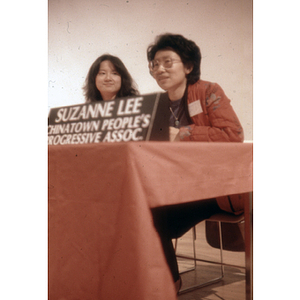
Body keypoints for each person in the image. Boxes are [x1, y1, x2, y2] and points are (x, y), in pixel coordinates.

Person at [147, 33, 247, 292]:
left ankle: (170, 285)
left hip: (216, 189)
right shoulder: (155, 105)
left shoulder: (207, 91)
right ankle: (158, 280)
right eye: (154, 64)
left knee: (154, 211)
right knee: (142, 205)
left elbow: (233, 135)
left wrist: (182, 134)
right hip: (178, 188)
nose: (159, 69)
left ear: (188, 66)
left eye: (167, 62)